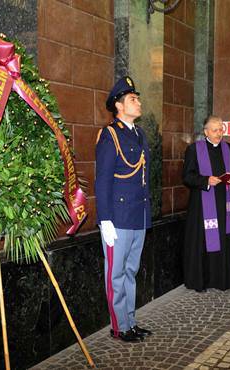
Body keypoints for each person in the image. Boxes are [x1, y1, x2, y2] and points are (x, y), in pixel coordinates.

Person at [95, 76, 152, 342]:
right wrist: (104, 220)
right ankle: (119, 327)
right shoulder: (110, 135)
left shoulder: (139, 134)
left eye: (137, 98)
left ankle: (130, 321)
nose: (138, 102)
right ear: (119, 105)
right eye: (132, 99)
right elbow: (103, 179)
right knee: (116, 274)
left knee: (130, 271)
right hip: (117, 218)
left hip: (137, 215)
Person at [182, 116, 230, 292]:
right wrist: (207, 180)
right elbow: (187, 177)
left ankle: (221, 279)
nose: (219, 134)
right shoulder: (194, 149)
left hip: (223, 205)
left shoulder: (229, 149)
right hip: (202, 205)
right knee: (203, 242)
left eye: (221, 130)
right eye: (215, 130)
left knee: (222, 241)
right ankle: (202, 281)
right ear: (206, 132)